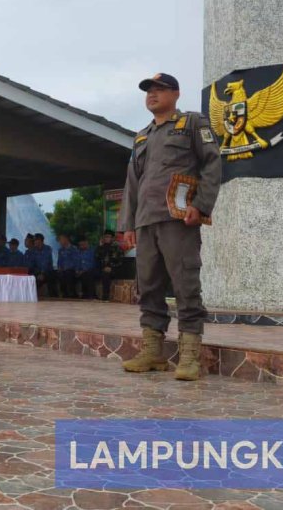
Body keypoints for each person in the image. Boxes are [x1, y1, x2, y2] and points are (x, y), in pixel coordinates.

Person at [118, 72, 221, 381]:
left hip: (178, 219)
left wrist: (200, 205)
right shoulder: (141, 136)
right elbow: (133, 183)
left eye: (159, 89)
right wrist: (128, 224)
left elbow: (213, 163)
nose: (152, 94)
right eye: (148, 90)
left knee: (185, 284)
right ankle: (153, 351)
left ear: (175, 94)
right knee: (147, 286)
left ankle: (190, 356)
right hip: (146, 221)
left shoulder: (191, 124)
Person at [95, 229, 124, 301]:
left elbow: (120, 262)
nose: (107, 238)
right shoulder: (99, 248)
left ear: (112, 238)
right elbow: (97, 260)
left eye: (108, 237)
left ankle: (105, 296)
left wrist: (111, 267)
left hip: (114, 270)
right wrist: (103, 267)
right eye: (105, 237)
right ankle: (91, 295)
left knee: (106, 274)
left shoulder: (117, 248)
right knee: (89, 273)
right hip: (102, 269)